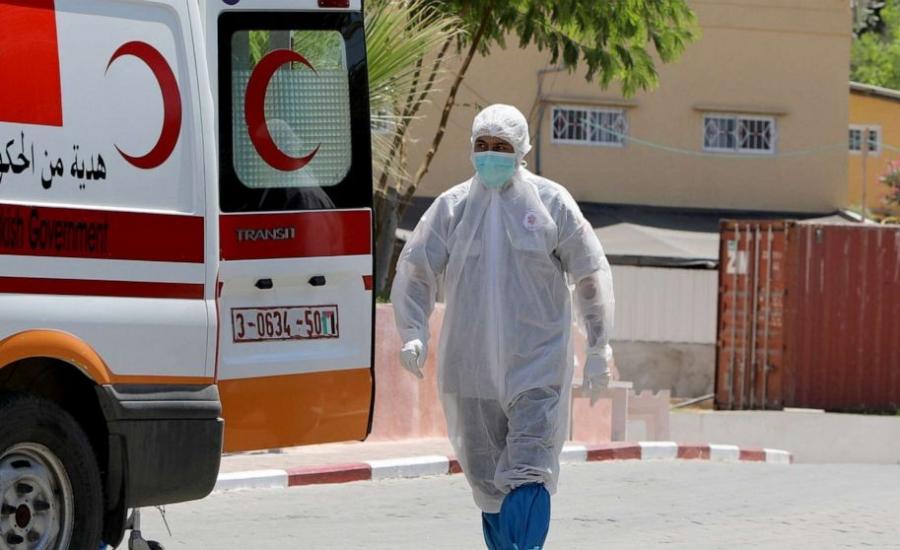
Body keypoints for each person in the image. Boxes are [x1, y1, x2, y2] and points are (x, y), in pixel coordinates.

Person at [391, 104, 615, 550]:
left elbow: (590, 273)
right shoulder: (452, 208)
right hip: (470, 369)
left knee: (529, 472)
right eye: (483, 145)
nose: (490, 154)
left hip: (537, 366)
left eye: (501, 146)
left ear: (521, 150)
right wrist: (413, 331)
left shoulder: (551, 203)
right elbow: (416, 270)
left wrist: (598, 346)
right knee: (488, 484)